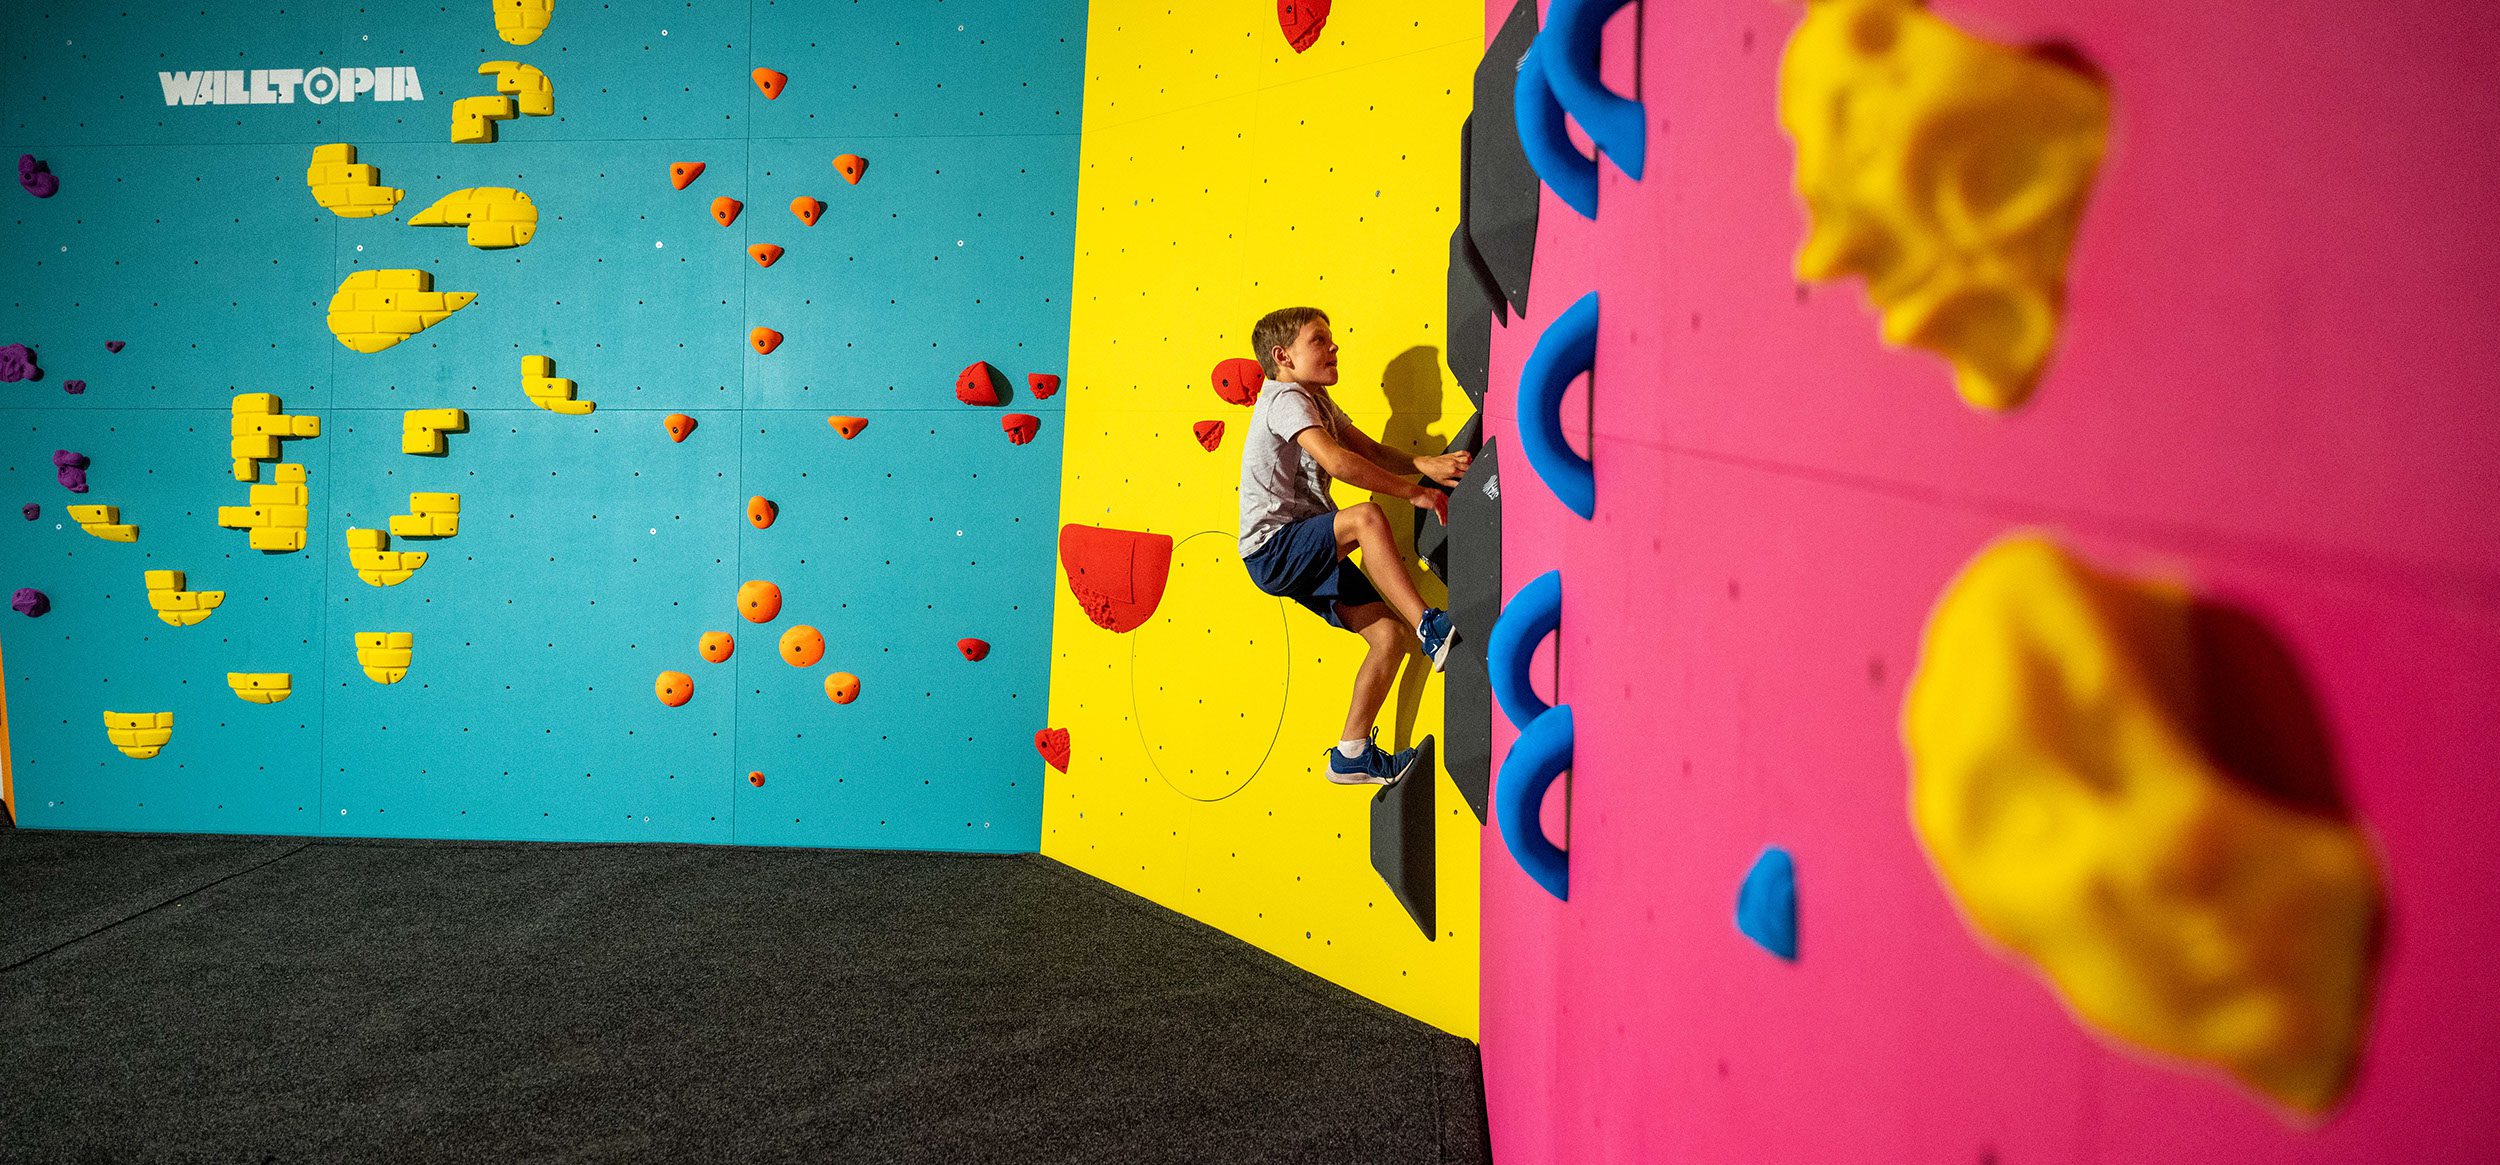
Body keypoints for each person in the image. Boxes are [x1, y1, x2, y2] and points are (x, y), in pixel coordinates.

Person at [1236, 307, 1470, 786]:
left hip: (1302, 545)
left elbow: (1368, 450)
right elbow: (1339, 463)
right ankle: (1428, 624)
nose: (1334, 346)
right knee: (1365, 517)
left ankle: (1351, 752)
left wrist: (1425, 464)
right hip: (1273, 548)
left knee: (1387, 638)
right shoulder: (1284, 398)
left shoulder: (1316, 400)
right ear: (1283, 357)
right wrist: (1415, 491)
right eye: (1319, 340)